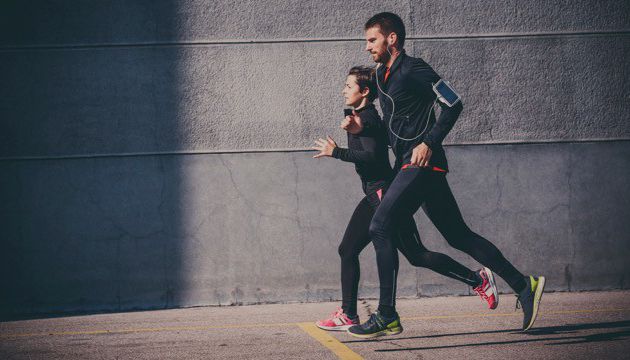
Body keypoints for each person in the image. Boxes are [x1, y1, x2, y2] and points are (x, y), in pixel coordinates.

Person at [344, 12, 545, 338]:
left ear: (391, 38)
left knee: (380, 225)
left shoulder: (415, 69)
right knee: (458, 236)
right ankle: (524, 285)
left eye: (372, 40)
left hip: (422, 162)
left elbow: (453, 103)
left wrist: (429, 141)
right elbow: (368, 102)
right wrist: (356, 123)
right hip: (408, 167)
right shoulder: (381, 76)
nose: (367, 47)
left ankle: (386, 314)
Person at [311, 66, 499, 333]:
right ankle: (349, 313)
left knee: (417, 254)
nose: (343, 90)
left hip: (384, 194)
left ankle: (477, 280)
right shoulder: (359, 117)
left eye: (348, 86)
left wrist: (337, 152)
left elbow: (374, 158)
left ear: (364, 92)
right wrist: (351, 128)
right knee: (349, 249)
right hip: (373, 194)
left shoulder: (370, 118)